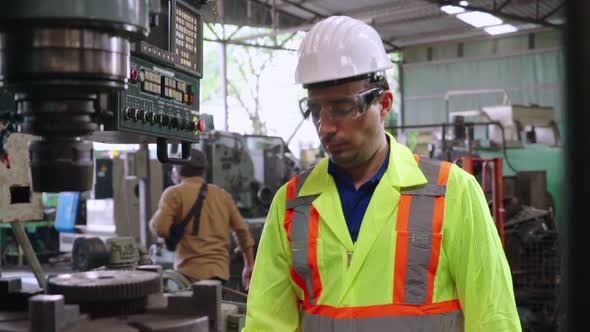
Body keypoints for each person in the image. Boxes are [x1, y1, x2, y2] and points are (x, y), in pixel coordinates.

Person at [243, 16, 521, 332]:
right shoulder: (292, 204)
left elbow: (493, 317)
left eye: (343, 108)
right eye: (315, 110)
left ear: (384, 103)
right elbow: (266, 323)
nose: (325, 127)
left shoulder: (452, 191)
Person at [149, 149, 255, 288]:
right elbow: (242, 230)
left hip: (188, 274)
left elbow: (160, 229)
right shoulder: (222, 196)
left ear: (178, 171)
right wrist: (249, 265)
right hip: (219, 274)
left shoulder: (174, 193)